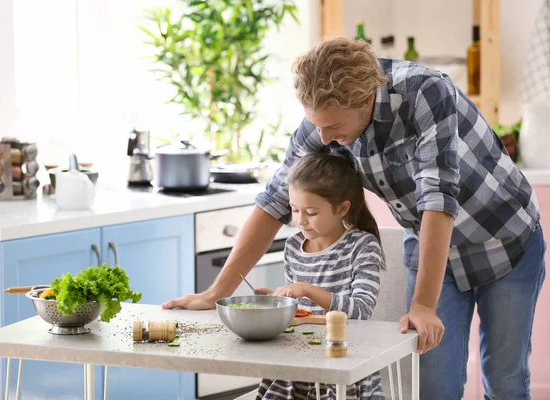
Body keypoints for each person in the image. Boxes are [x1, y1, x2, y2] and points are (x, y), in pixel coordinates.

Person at [163, 38, 546, 399]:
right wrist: (217, 293)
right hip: (431, 247)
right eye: (316, 124)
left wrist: (424, 306)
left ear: (365, 99)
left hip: (503, 240)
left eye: (332, 127)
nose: (323, 137)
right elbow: (275, 200)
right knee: (431, 383)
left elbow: (438, 198)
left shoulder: (426, 93)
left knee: (504, 379)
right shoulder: (323, 123)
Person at [254, 151, 384, 400]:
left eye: (311, 213)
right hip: (299, 361)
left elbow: (361, 311)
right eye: (294, 210)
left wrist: (308, 290)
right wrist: (278, 300)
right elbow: (301, 312)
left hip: (344, 361)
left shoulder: (362, 246)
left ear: (342, 208)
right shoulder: (293, 246)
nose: (301, 221)